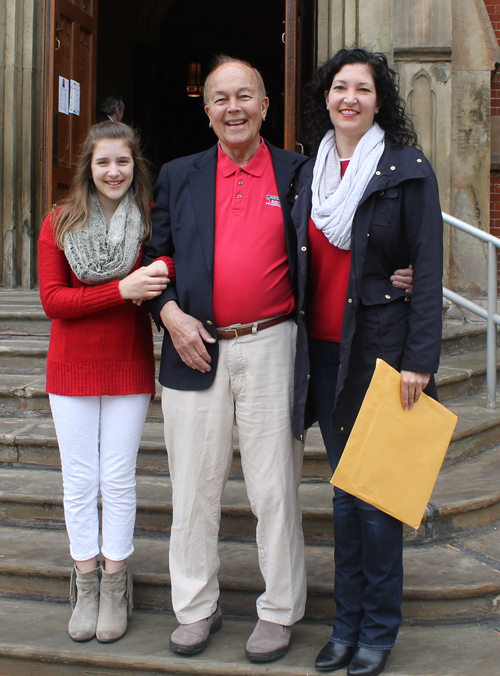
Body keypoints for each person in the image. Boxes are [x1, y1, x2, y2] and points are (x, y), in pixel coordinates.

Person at [142, 55, 311, 663]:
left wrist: (397, 270)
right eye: (221, 98)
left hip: (273, 344)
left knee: (275, 488)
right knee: (192, 487)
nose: (233, 108)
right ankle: (195, 606)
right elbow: (154, 261)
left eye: (245, 96)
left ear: (266, 106)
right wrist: (168, 314)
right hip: (194, 343)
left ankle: (280, 608)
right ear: (207, 109)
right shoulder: (180, 175)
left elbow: (343, 238)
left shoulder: (300, 173)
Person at [293, 49, 443, 676]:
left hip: (382, 352)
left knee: (374, 499)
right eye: (338, 87)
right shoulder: (308, 173)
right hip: (323, 355)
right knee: (343, 495)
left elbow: (427, 268)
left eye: (362, 88)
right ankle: (346, 624)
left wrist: (420, 359)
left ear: (381, 99)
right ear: (325, 97)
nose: (348, 98)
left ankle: (376, 629)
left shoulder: (406, 168)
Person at [38, 121, 172, 644]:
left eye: (122, 162)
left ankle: (115, 582)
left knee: (117, 478)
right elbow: (54, 301)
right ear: (88, 168)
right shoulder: (60, 222)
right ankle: (85, 580)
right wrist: (123, 289)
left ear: (133, 166)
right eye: (102, 162)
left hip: (128, 365)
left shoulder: (148, 223)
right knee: (79, 480)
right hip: (70, 368)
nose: (113, 172)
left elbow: (172, 260)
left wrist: (158, 270)